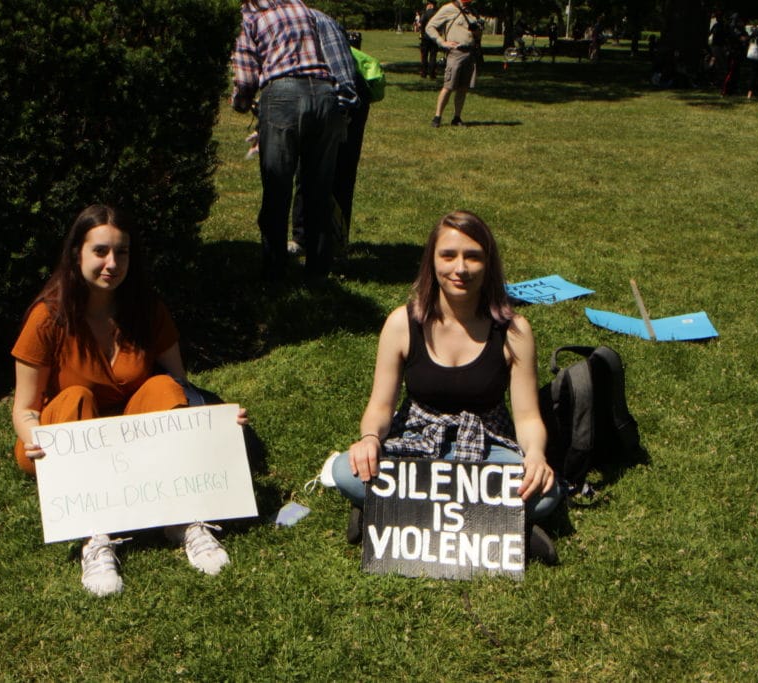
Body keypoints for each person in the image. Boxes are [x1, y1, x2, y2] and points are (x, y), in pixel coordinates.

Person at [11, 204, 248, 596]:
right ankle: (94, 533)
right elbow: (25, 409)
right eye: (100, 251)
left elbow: (179, 385)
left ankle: (182, 516)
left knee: (163, 387)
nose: (112, 263)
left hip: (131, 440)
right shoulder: (47, 317)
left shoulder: (147, 309)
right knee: (75, 396)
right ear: (77, 254)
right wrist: (37, 440)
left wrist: (215, 427)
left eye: (121, 252)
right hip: (64, 435)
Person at [315, 211, 562, 563]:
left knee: (547, 492)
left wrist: (535, 454)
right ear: (432, 261)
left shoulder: (513, 330)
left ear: (488, 264)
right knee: (345, 471)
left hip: (486, 444)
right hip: (416, 438)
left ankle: (387, 511)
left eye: (473, 256)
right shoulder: (403, 323)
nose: (460, 268)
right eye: (448, 256)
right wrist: (370, 438)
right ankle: (504, 525)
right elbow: (380, 407)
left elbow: (526, 417)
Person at [231, 0, 348, 282]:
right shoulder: (303, 9)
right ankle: (318, 271)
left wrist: (240, 103)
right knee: (318, 190)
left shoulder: (251, 18)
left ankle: (274, 271)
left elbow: (246, 78)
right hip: (325, 94)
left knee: (277, 188)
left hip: (282, 94)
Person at [290, 9, 369, 259]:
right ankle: (302, 238)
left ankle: (336, 244)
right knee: (306, 170)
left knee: (339, 172)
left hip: (342, 97)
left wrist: (343, 117)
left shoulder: (319, 21)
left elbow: (344, 75)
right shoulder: (270, 23)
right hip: (309, 97)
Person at [426, 0, 484, 128]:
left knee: (463, 88)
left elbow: (477, 35)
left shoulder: (472, 11)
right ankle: (437, 117)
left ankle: (457, 117)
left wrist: (477, 31)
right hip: (455, 53)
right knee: (448, 86)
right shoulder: (448, 8)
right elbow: (429, 27)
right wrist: (442, 42)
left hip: (470, 53)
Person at [419, 2, 439, 79]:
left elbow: (422, 23)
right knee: (433, 56)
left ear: (430, 5)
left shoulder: (425, 13)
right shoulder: (437, 13)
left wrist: (422, 33)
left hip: (425, 37)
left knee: (424, 56)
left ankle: (424, 72)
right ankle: (432, 73)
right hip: (434, 37)